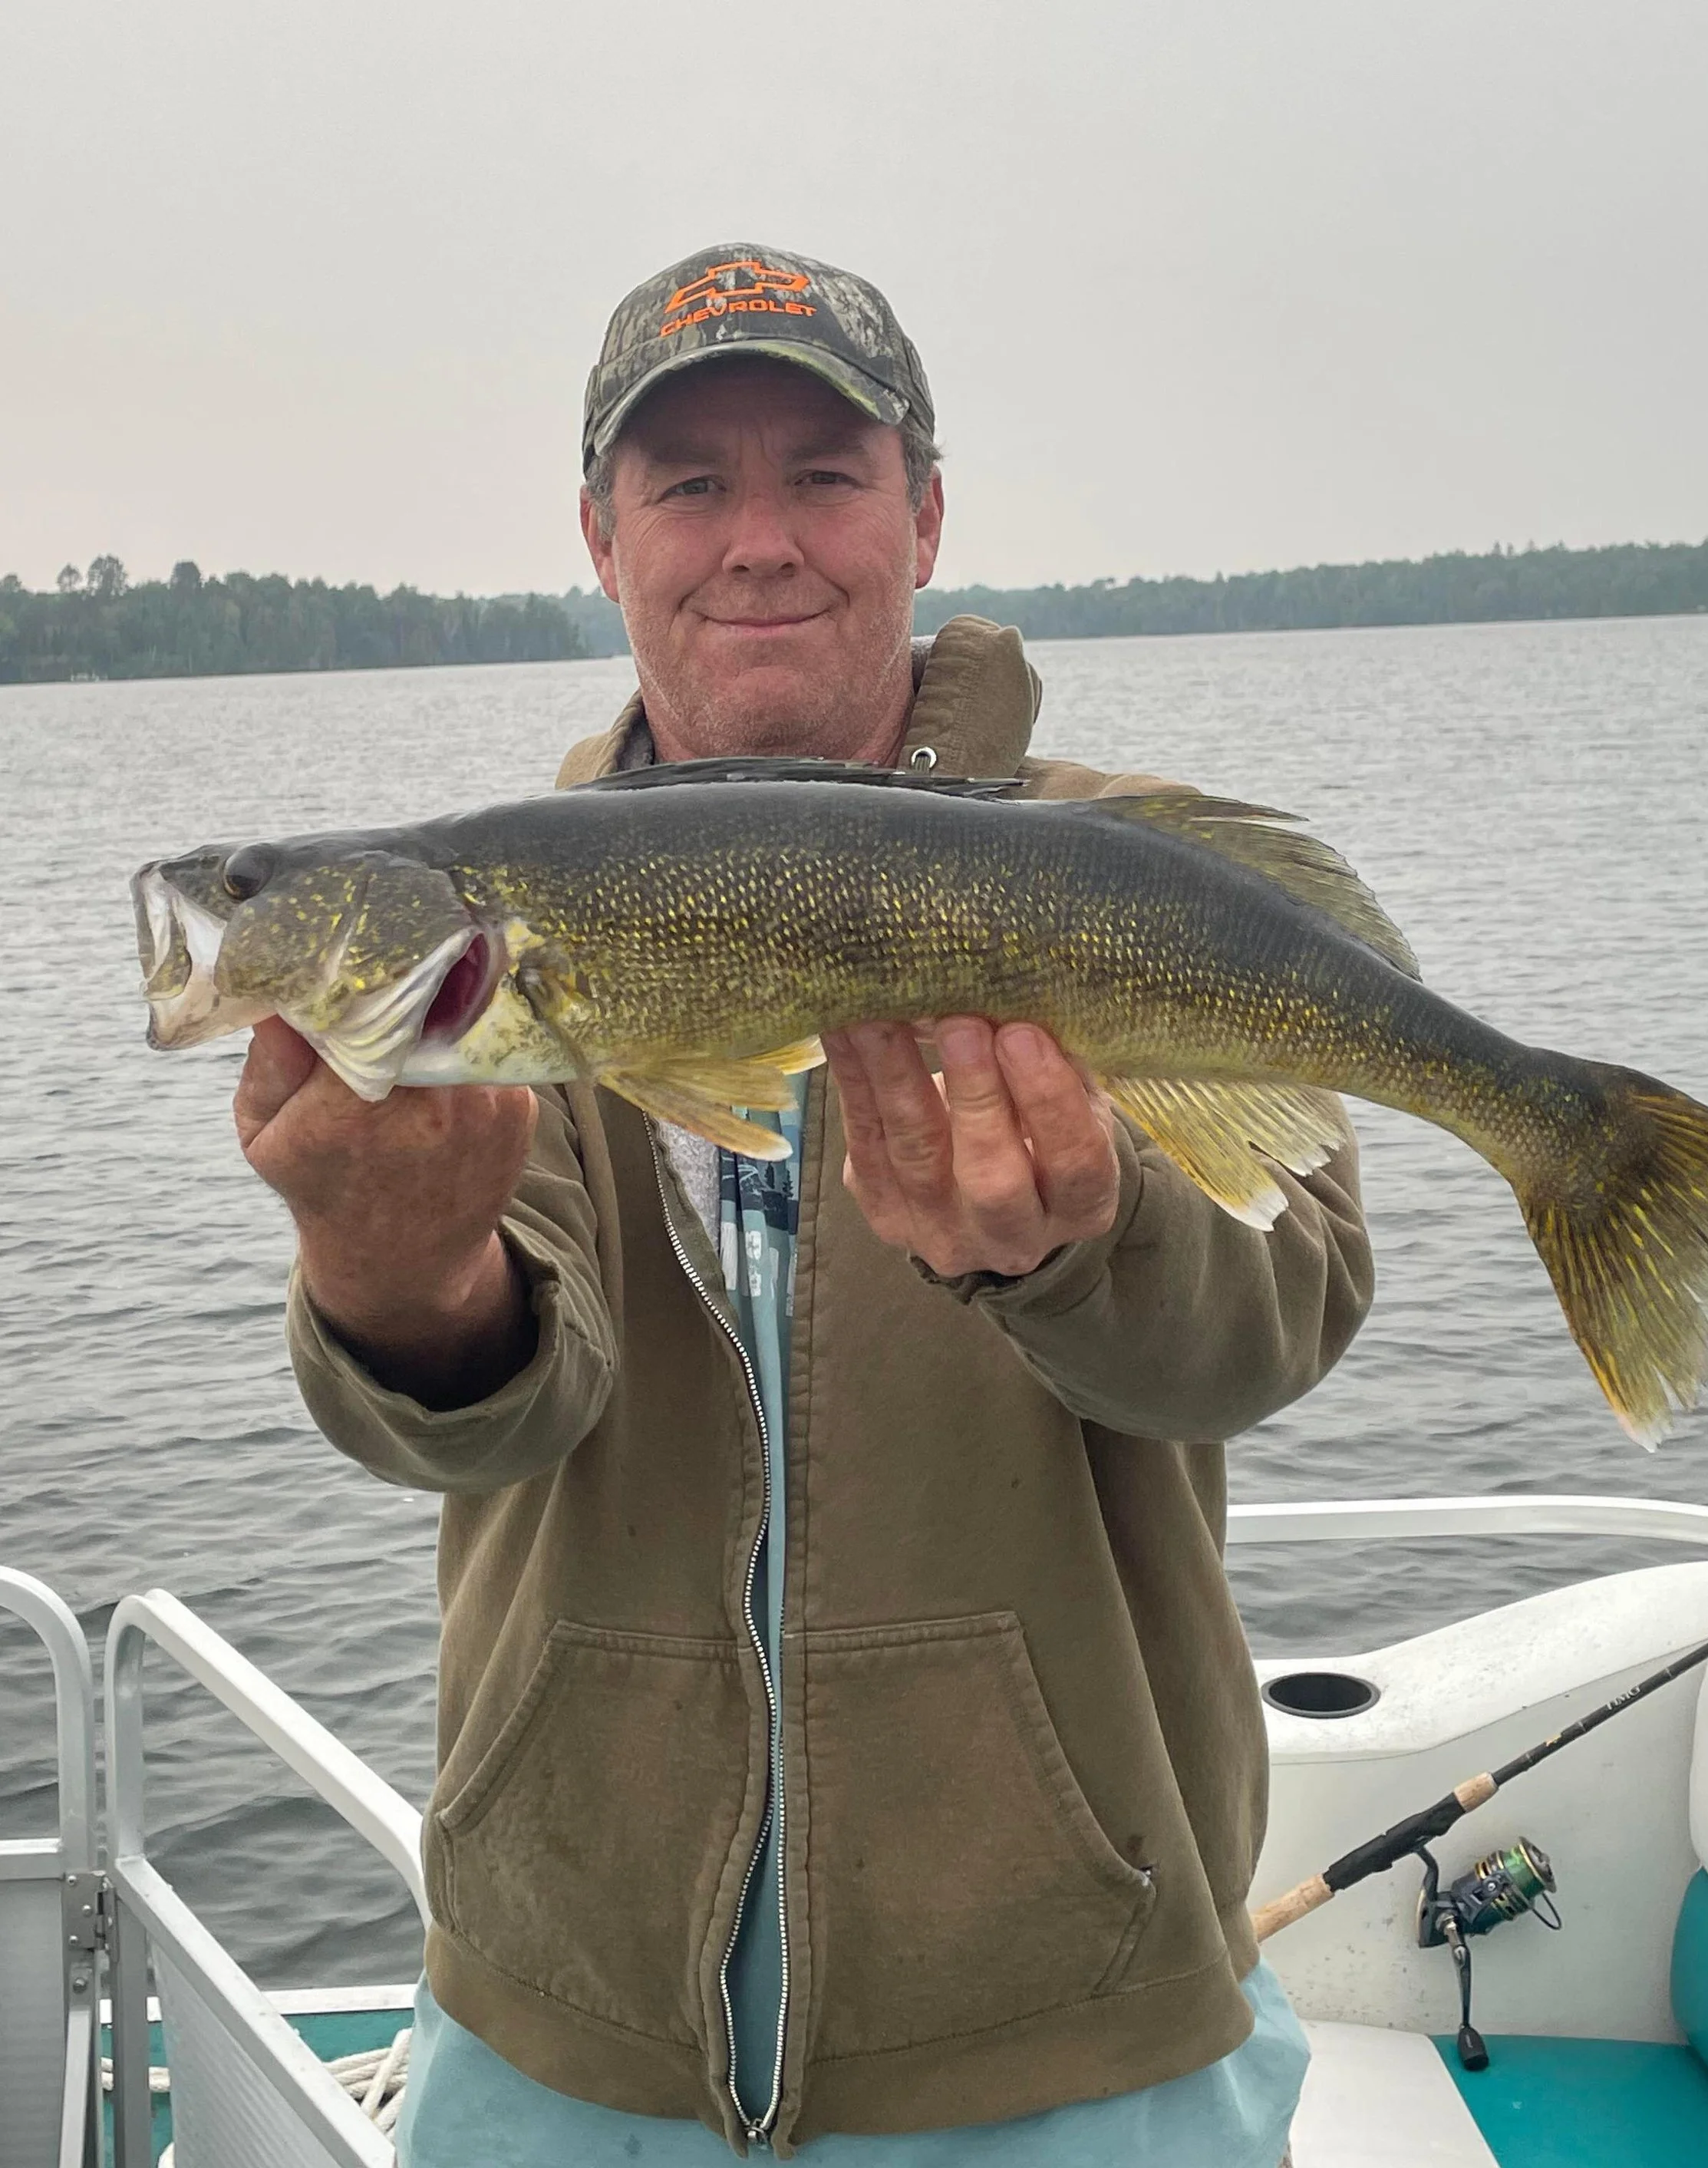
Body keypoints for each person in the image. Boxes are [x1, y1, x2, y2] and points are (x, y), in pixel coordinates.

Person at [235, 244, 1373, 2164]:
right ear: (601, 539)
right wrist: (395, 1266)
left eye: (822, 476)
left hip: (1077, 2047)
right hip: (563, 2041)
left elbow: (1271, 1327)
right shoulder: (501, 943)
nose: (756, 540)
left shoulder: (1119, 871)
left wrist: (1078, 1252)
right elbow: (501, 1414)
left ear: (925, 513)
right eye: (687, 483)